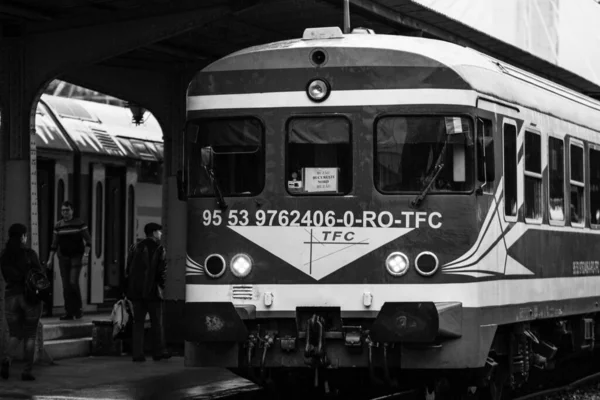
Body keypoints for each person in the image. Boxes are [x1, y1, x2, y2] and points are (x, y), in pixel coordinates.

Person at [0, 223, 45, 381]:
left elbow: (7, 276)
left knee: (15, 333)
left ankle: (7, 359)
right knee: (30, 335)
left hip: (10, 296)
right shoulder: (29, 254)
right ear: (22, 236)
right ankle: (27, 371)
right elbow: (39, 274)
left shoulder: (4, 255)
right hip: (29, 297)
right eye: (25, 235)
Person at [125, 222, 170, 362]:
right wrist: (161, 287)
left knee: (138, 323)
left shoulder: (134, 247)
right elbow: (162, 272)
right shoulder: (159, 249)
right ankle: (158, 352)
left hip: (136, 292)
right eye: (159, 232)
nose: (161, 234)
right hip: (153, 292)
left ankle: (137, 354)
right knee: (157, 322)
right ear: (154, 232)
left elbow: (128, 270)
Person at [46, 201, 92, 320]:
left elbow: (88, 241)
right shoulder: (58, 225)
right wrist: (50, 259)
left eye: (67, 210)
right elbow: (54, 244)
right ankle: (69, 312)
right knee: (66, 286)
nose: (65, 213)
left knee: (73, 282)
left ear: (72, 211)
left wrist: (86, 255)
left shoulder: (79, 224)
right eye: (63, 210)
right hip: (63, 257)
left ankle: (78, 309)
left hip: (77, 256)